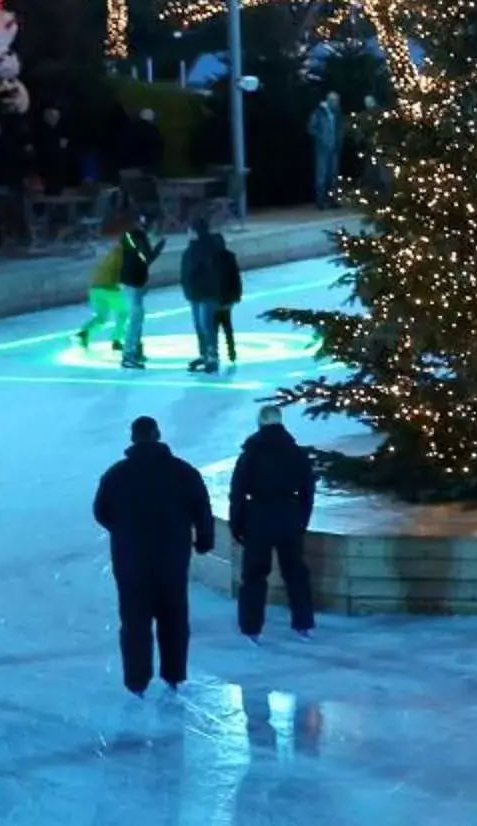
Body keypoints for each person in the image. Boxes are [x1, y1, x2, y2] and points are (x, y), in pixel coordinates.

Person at [92, 414, 215, 697]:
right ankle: (173, 673)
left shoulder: (117, 475)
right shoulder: (183, 472)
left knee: (135, 621)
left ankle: (137, 680)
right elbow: (201, 509)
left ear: (132, 438)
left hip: (131, 560)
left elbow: (101, 511)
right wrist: (204, 540)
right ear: (158, 435)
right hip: (171, 558)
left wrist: (122, 532)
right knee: (173, 615)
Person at [229, 405, 318, 641]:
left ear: (260, 423)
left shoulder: (251, 454)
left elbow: (237, 492)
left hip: (258, 518)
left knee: (254, 575)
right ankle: (303, 622)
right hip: (289, 516)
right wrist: (302, 520)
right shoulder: (296, 453)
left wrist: (236, 524)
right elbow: (308, 490)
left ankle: (251, 627)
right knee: (295, 572)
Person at [178, 207, 240, 374]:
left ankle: (212, 355)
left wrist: (226, 297)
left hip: (208, 295)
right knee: (200, 326)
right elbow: (185, 273)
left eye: (190, 230)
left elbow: (217, 275)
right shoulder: (190, 251)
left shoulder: (210, 251)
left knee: (207, 326)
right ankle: (205, 353)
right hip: (195, 295)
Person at [116, 212, 165, 371]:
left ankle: (135, 350)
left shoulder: (133, 237)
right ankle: (129, 354)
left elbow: (145, 258)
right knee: (135, 319)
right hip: (133, 283)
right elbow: (146, 258)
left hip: (134, 282)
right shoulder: (135, 237)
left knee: (137, 317)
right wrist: (158, 247)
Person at [76, 217, 131, 352]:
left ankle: (84, 332)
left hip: (95, 288)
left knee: (101, 317)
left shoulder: (112, 253)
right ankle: (116, 340)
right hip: (109, 288)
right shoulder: (124, 255)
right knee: (123, 313)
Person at [307, 90, 343, 206]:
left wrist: (339, 142)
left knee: (333, 175)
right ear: (330, 101)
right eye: (335, 101)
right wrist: (321, 138)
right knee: (321, 175)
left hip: (334, 148)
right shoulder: (318, 113)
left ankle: (332, 200)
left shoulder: (337, 113)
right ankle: (320, 201)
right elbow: (311, 128)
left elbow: (339, 129)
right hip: (322, 148)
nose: (337, 103)